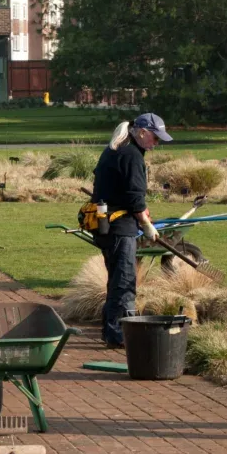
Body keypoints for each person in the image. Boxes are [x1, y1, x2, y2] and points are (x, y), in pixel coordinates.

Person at [89, 113, 172, 348]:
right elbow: (135, 198)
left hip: (106, 225)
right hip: (119, 227)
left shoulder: (117, 149)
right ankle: (119, 336)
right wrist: (146, 225)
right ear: (142, 132)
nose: (156, 144)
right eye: (155, 138)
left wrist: (142, 216)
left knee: (116, 280)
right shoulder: (131, 155)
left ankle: (111, 331)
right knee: (124, 282)